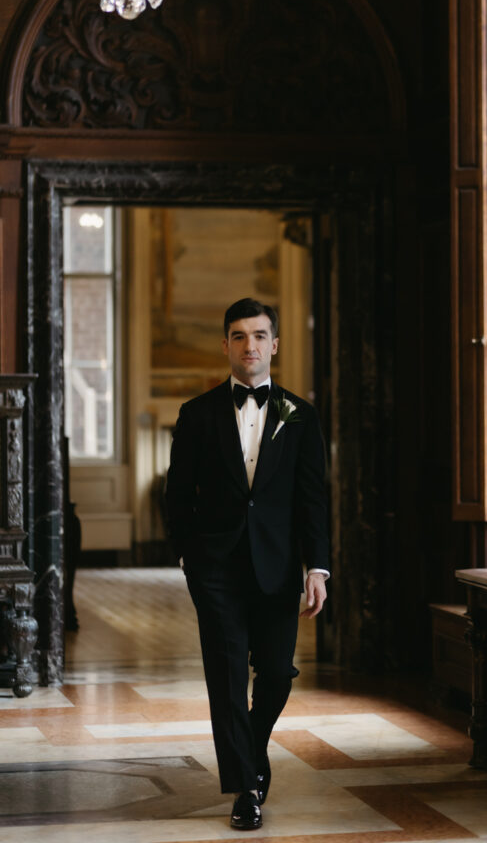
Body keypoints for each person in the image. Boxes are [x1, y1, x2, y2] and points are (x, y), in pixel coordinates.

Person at [165, 297, 330, 831]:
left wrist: (318, 567)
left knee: (278, 673)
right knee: (229, 675)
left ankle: (250, 755)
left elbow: (312, 499)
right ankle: (246, 790)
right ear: (226, 345)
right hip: (215, 570)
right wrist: (188, 554)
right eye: (239, 336)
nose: (249, 345)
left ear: (274, 344)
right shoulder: (197, 414)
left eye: (259, 335)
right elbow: (177, 494)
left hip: (279, 568)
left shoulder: (299, 415)